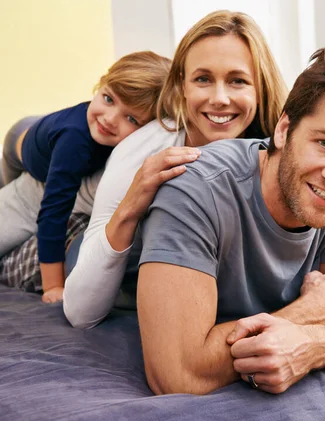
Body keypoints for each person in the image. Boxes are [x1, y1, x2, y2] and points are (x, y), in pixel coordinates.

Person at [136, 39, 325, 397]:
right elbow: (177, 376)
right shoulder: (194, 189)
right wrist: (312, 311)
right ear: (283, 131)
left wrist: (312, 346)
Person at [58, 10, 288, 328]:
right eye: (203, 79)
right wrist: (131, 205)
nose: (220, 98)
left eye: (237, 81)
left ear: (259, 87)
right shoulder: (141, 150)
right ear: (182, 86)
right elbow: (80, 311)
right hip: (102, 245)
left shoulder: (279, 145)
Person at [0, 51, 171, 303]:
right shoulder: (76, 142)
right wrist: (53, 287)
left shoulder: (114, 136)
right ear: (100, 85)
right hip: (24, 157)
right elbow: (53, 213)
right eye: (108, 99)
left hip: (46, 147)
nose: (109, 119)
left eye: (131, 118)